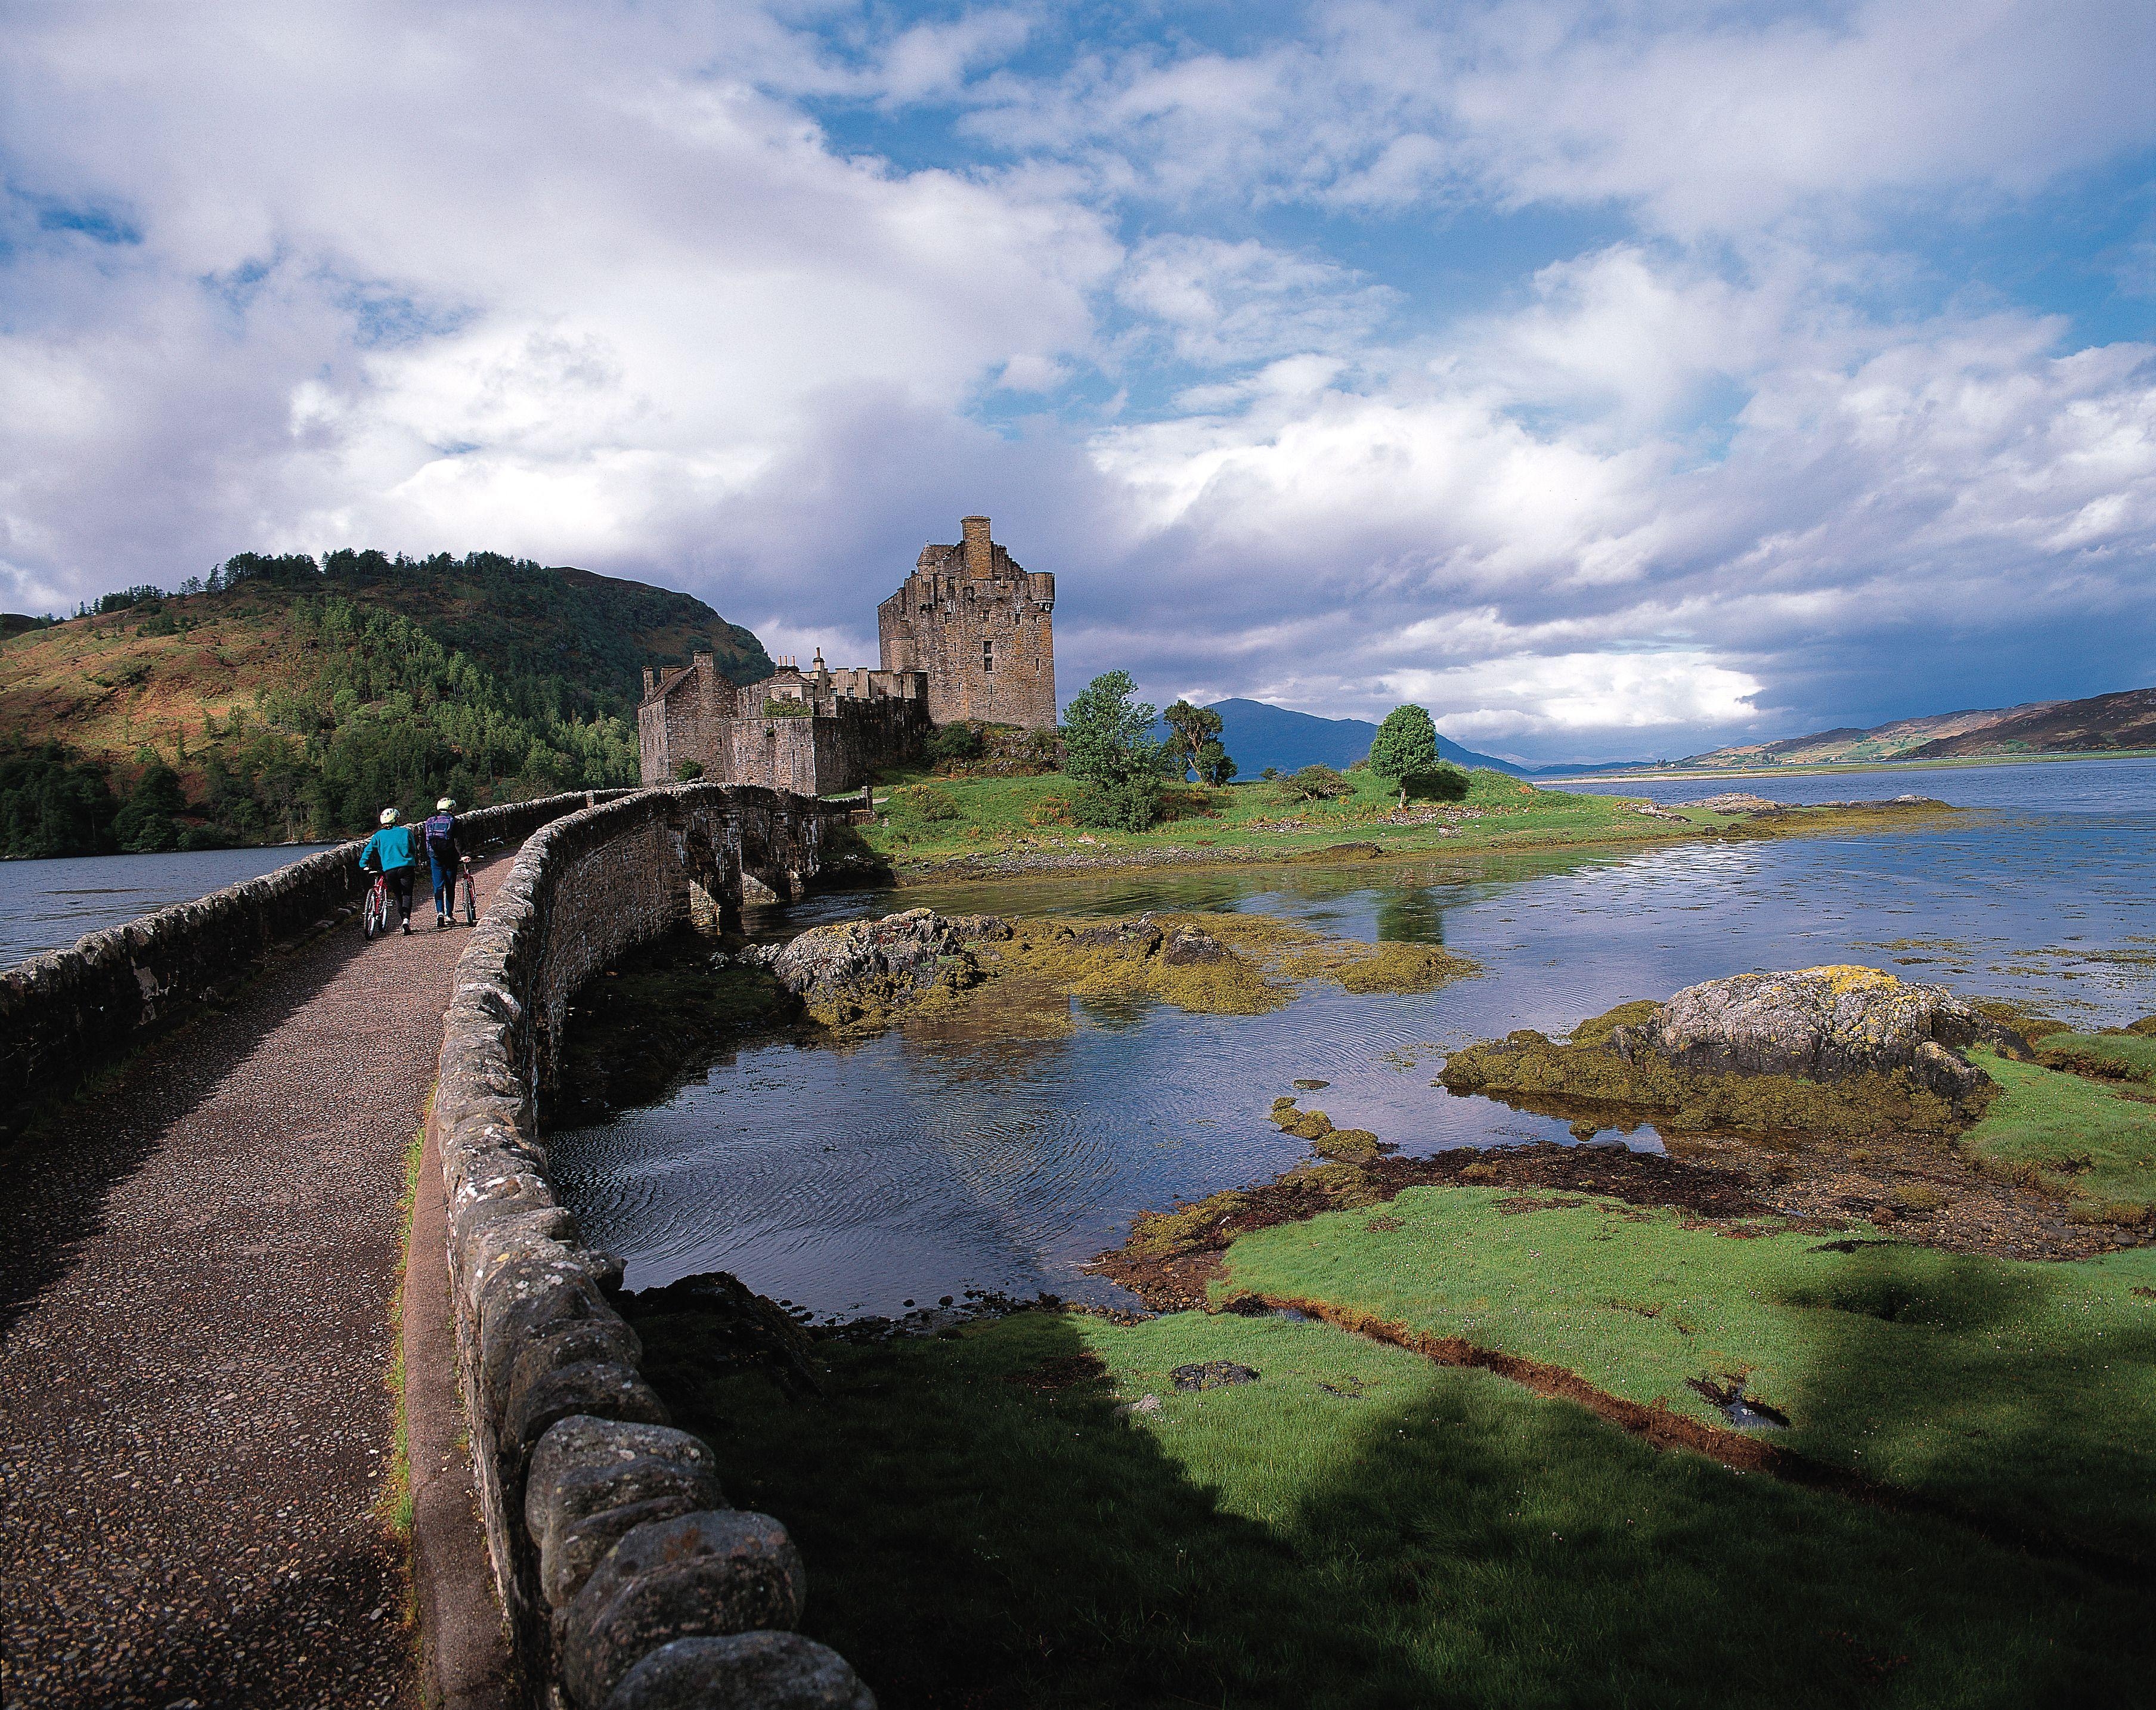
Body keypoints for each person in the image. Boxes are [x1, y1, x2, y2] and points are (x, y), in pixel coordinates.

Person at [358, 806, 419, 935]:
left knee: (398, 895)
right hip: (406, 867)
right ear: (396, 819)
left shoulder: (379, 835)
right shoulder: (405, 832)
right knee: (407, 894)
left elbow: (368, 851)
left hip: (389, 870)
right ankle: (406, 921)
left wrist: (363, 864)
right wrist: (413, 861)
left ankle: (402, 918)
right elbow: (413, 849)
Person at [422, 796, 464, 928]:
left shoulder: (430, 822)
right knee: (450, 885)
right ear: (451, 808)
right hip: (450, 856)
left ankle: (439, 912)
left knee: (438, 885)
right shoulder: (454, 822)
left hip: (435, 856)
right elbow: (458, 841)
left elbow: (427, 841)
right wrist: (463, 855)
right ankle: (449, 915)